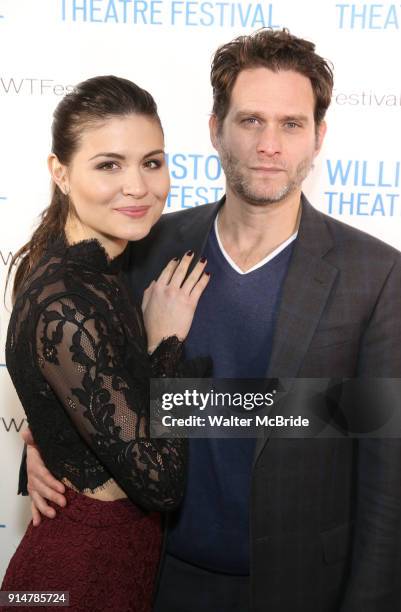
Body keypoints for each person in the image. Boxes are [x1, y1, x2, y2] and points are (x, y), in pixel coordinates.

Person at [21, 29, 401, 612]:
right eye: (250, 121)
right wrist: (46, 439)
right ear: (214, 129)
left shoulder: (375, 274)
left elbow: (384, 461)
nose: (269, 144)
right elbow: (89, 368)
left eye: (291, 124)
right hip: (158, 576)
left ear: (318, 136)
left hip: (304, 587)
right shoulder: (149, 245)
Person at [1, 75, 210, 612]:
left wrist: (47, 437)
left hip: (113, 556)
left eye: (152, 161)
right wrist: (165, 344)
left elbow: (77, 391)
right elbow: (161, 482)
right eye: (109, 164)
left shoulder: (97, 263)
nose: (139, 186)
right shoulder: (68, 293)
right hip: (80, 572)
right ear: (60, 173)